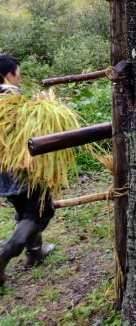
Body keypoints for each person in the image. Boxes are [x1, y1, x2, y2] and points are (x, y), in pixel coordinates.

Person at [0, 55, 55, 286]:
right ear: (9, 74)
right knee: (40, 213)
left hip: (3, 172)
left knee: (27, 210)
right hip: (21, 169)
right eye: (18, 73)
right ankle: (3, 253)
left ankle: (35, 251)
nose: (19, 77)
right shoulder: (10, 97)